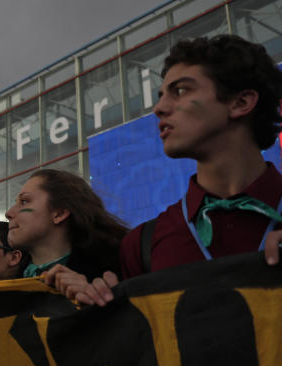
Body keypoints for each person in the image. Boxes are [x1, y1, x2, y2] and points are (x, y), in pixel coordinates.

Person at [51, 35, 282, 306]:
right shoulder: (141, 245)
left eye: (181, 90)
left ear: (241, 103)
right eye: (161, 96)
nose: (159, 108)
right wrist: (103, 313)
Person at [5, 168, 127, 280]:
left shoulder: (112, 278)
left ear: (59, 213)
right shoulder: (2, 290)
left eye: (24, 201)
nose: (8, 213)